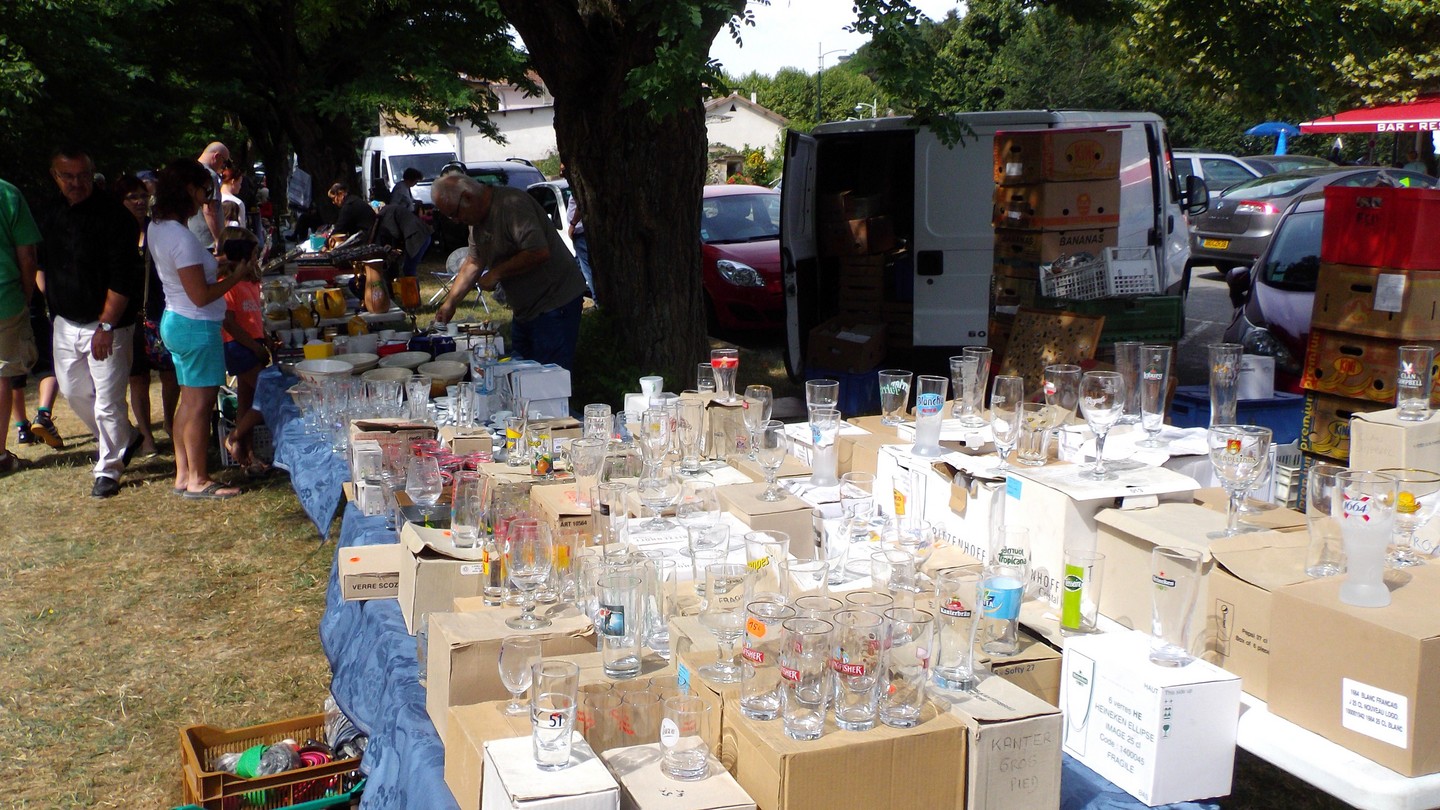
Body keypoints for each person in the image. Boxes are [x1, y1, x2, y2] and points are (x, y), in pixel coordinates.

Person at [38, 146, 146, 498]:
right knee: (72, 391)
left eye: (82, 176)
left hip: (108, 323)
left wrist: (106, 326)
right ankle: (126, 438)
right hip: (65, 321)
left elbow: (123, 278)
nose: (75, 183)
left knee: (108, 400)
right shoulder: (50, 212)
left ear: (92, 175)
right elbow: (43, 264)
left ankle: (109, 469)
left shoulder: (114, 217)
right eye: (67, 176)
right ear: (55, 177)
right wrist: (50, 299)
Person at [150, 158, 246, 500]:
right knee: (200, 405)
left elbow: (189, 275)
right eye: (205, 191)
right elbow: (202, 295)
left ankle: (183, 474)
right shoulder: (181, 237)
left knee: (188, 403)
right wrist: (235, 277)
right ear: (189, 190)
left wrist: (217, 265)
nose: (207, 198)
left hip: (177, 320)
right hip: (196, 324)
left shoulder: (159, 226)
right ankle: (199, 479)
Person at [431, 174, 586, 369]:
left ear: (468, 197)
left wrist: (496, 273)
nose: (455, 220)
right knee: (519, 372)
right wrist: (450, 303)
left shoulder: (512, 206)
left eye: (454, 213)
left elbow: (538, 251)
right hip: (525, 309)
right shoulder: (475, 222)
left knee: (549, 378)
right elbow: (473, 262)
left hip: (555, 303)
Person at [116, 173, 178, 456]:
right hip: (129, 316)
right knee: (137, 379)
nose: (140, 201)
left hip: (160, 310)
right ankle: (145, 436)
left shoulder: (156, 229)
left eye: (143, 196)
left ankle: (170, 422)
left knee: (170, 374)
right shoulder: (114, 233)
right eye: (133, 197)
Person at [219, 226, 270, 475]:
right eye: (253, 254)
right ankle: (233, 437)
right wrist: (253, 347)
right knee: (269, 396)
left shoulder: (251, 282)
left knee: (247, 402)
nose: (256, 258)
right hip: (238, 347)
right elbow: (228, 322)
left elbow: (254, 318)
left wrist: (265, 340)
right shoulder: (228, 284)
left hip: (253, 344)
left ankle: (248, 455)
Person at [0, 177, 42, 475]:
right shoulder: (7, 193)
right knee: (1, 374)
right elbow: (28, 256)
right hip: (6, 298)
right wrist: (26, 297)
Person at [388, 167, 432, 276]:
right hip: (406, 220)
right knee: (409, 267)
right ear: (411, 179)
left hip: (410, 221)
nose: (416, 183)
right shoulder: (400, 189)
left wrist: (415, 202)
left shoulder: (405, 188)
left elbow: (409, 201)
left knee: (409, 267)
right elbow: (394, 204)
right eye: (416, 181)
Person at [187, 142, 229, 250]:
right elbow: (209, 210)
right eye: (224, 161)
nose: (223, 166)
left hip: (192, 237)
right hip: (208, 241)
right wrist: (218, 239)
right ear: (216, 156)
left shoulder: (189, 171)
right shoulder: (210, 175)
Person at [562, 166, 595, 300]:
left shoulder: (578, 188)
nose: (560, 172)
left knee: (587, 270)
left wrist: (573, 225)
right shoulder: (573, 187)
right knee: (577, 267)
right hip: (579, 233)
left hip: (580, 231)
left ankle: (597, 300)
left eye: (563, 169)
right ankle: (575, 295)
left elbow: (580, 206)